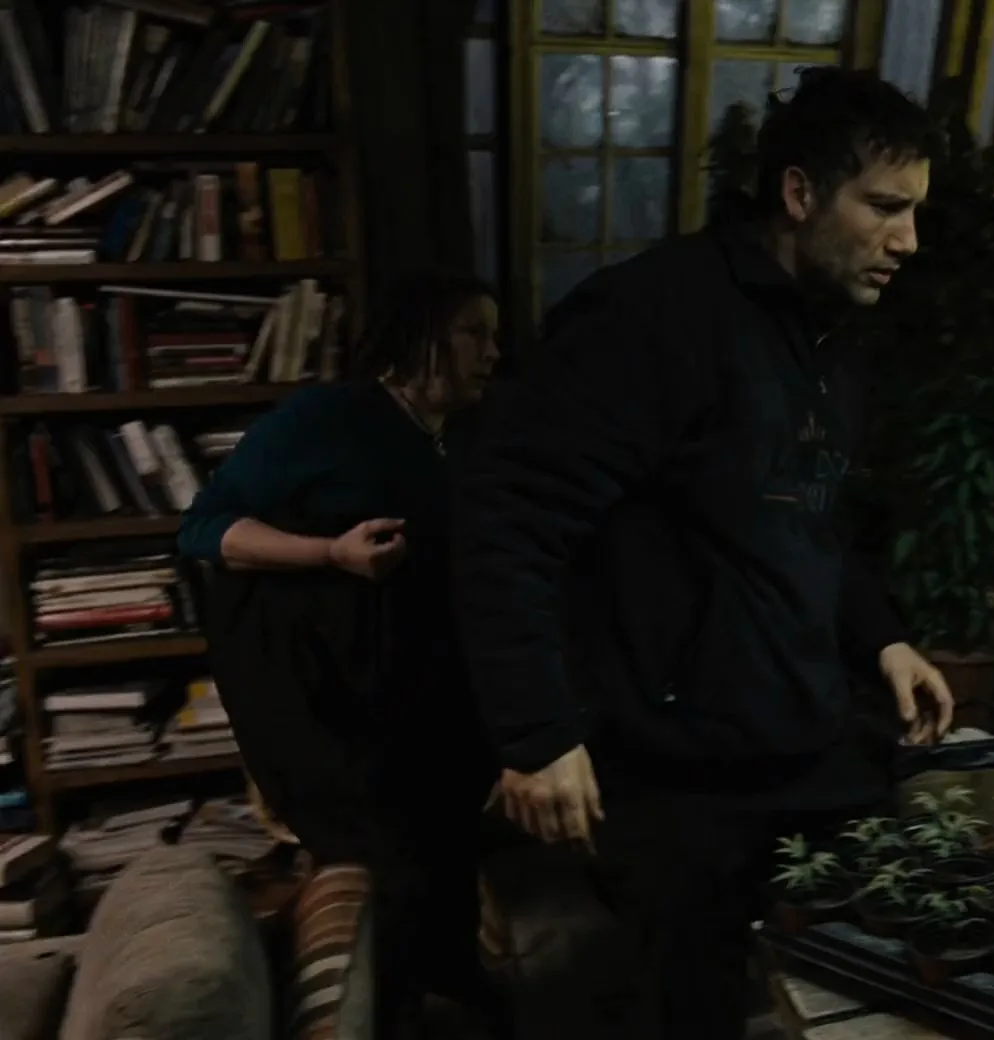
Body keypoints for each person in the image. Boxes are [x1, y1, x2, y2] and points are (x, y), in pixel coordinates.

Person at [450, 68, 955, 1039]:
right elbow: (507, 518)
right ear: (799, 193)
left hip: (803, 742)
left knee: (885, 985)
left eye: (915, 212)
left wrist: (883, 638)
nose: (909, 240)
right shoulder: (652, 316)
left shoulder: (830, 336)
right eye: (885, 207)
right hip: (674, 775)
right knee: (694, 1010)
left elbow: (803, 519)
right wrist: (536, 733)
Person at [178, 272, 504, 1037]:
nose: (494, 352)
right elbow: (203, 530)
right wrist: (331, 551)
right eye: (475, 333)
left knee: (450, 835)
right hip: (320, 687)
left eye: (494, 335)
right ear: (421, 337)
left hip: (417, 681)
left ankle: (452, 989)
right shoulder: (326, 417)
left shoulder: (465, 434)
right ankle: (386, 1012)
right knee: (388, 862)